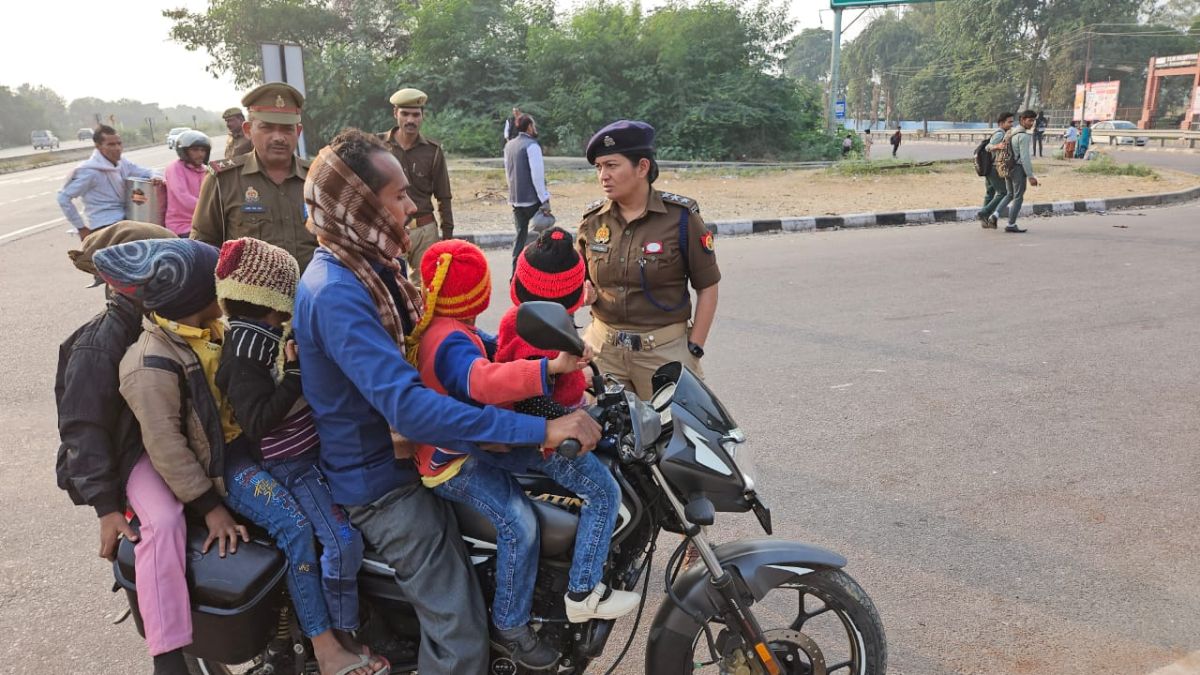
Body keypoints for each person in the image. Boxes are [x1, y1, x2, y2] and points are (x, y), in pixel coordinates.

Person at [291, 128, 600, 675]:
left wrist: (533, 369)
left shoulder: (373, 266)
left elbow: (440, 342)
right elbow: (408, 407)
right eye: (399, 196)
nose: (413, 207)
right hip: (382, 480)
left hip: (413, 451)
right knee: (460, 636)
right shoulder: (337, 291)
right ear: (361, 205)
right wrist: (543, 431)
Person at [405, 238, 635, 669]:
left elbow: (489, 347)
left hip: (477, 441)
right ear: (478, 293)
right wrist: (548, 369)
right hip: (453, 462)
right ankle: (512, 626)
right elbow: (482, 381)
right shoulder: (448, 340)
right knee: (519, 523)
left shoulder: (453, 327)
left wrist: (559, 366)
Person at [213, 237, 384, 675]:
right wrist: (292, 377)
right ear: (274, 297)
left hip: (311, 454)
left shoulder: (267, 336)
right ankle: (339, 637)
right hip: (291, 466)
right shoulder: (246, 350)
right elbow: (257, 421)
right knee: (342, 541)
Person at [93, 238, 245, 675]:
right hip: (145, 457)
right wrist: (208, 505)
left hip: (200, 446)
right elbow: (165, 445)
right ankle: (167, 654)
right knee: (162, 522)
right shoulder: (146, 360)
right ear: (195, 297)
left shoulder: (213, 331)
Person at [54, 222, 179, 675]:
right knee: (161, 523)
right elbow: (82, 430)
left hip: (173, 444)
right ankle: (167, 658)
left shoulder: (170, 317)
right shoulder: (98, 343)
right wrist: (106, 507)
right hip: (131, 459)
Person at [577, 120, 720, 399]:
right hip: (603, 351)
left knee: (672, 439)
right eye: (599, 167)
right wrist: (583, 291)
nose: (603, 175)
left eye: (612, 165)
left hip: (663, 354)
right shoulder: (593, 221)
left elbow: (708, 286)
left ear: (642, 167)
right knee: (597, 436)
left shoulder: (681, 219)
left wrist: (695, 347)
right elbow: (577, 280)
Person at [191, 82, 317, 271]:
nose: (278, 137)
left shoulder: (318, 178)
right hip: (248, 300)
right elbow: (203, 247)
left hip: (311, 297)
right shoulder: (222, 180)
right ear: (248, 130)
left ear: (297, 132)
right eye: (267, 128)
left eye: (287, 129)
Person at [379, 88, 454, 287]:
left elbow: (444, 197)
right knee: (390, 288)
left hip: (424, 232)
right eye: (405, 113)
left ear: (423, 116)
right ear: (395, 114)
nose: (410, 120)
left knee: (428, 291)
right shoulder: (377, 147)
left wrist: (447, 239)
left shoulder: (433, 151)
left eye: (415, 114)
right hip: (389, 229)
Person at [57, 125, 159, 242]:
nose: (117, 148)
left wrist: (156, 177)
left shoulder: (122, 163)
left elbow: (147, 171)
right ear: (98, 146)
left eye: (119, 143)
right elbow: (63, 198)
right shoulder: (89, 171)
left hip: (125, 221)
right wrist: (80, 227)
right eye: (111, 145)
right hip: (103, 225)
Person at [503, 113, 553, 271]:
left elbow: (507, 173)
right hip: (532, 200)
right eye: (534, 125)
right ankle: (540, 272)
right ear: (529, 126)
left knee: (520, 236)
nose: (535, 128)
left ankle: (515, 273)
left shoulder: (509, 145)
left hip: (515, 200)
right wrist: (544, 198)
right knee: (542, 236)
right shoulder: (532, 145)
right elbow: (537, 176)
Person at [992, 110, 1039, 234]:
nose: (1032, 123)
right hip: (1017, 169)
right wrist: (1030, 176)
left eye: (1033, 120)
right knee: (1018, 197)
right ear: (1022, 120)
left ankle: (995, 215)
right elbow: (1025, 158)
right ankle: (1011, 224)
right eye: (1030, 120)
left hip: (1007, 167)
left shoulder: (1011, 132)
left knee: (1010, 194)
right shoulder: (1023, 136)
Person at [164, 131, 211, 237]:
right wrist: (211, 208)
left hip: (202, 223)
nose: (200, 154)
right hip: (182, 226)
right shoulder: (175, 168)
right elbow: (183, 197)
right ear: (184, 151)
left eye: (203, 150)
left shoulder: (205, 170)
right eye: (195, 150)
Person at [977, 112, 1014, 229]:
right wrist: (997, 146)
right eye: (1009, 122)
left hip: (989, 167)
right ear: (1001, 123)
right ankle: (984, 212)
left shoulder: (1001, 133)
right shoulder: (1000, 134)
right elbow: (988, 147)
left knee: (990, 193)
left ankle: (984, 220)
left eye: (1012, 121)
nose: (1011, 124)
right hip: (994, 167)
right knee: (1003, 192)